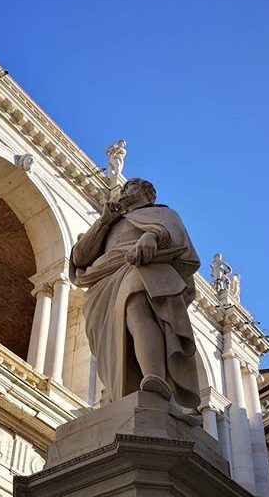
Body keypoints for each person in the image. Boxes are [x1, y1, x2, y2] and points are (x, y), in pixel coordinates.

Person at [70, 178, 201, 423]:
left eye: (129, 188)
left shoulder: (162, 213)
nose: (123, 191)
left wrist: (151, 236)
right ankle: (120, 392)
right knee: (111, 345)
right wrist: (104, 221)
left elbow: (175, 236)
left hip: (138, 267)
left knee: (135, 304)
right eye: (122, 188)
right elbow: (80, 257)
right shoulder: (109, 223)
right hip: (102, 284)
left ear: (146, 193)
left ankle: (155, 378)